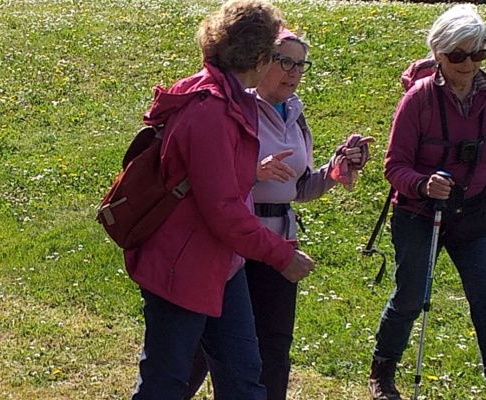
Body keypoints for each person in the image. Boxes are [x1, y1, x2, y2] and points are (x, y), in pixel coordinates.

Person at [124, 1, 317, 398]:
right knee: (167, 382)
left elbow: (213, 183)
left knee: (245, 380)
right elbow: (223, 210)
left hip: (221, 265)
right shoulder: (210, 109)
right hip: (182, 266)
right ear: (260, 57)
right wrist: (281, 254)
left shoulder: (226, 99)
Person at [184, 28, 369, 400]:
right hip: (235, 244)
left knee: (274, 347)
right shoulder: (238, 109)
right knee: (207, 349)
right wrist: (253, 171)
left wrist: (336, 170)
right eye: (284, 61)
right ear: (262, 61)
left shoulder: (296, 114)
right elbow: (212, 182)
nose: (293, 72)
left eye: (301, 65)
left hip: (280, 243)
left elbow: (299, 189)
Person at [371, 4, 486, 400]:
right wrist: (424, 185)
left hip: (474, 213)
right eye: (458, 55)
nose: (468, 64)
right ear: (438, 54)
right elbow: (394, 167)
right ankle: (382, 370)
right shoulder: (418, 100)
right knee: (411, 295)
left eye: (478, 54)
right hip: (420, 213)